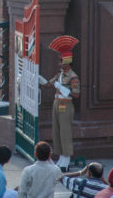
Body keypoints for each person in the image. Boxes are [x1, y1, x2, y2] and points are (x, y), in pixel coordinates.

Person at [39, 35, 80, 171]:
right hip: (57, 104)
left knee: (65, 132)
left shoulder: (73, 77)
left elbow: (76, 93)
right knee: (57, 131)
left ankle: (66, 160)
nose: (59, 63)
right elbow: (48, 85)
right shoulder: (60, 74)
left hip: (66, 105)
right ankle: (61, 158)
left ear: (67, 61)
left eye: (61, 60)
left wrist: (62, 88)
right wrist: (37, 78)